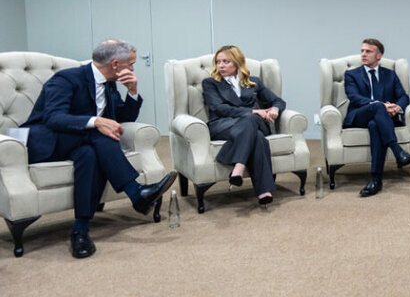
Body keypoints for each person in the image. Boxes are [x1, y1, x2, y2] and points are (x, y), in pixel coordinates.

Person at [21, 39, 178, 259]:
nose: (133, 69)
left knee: (89, 155)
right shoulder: (66, 79)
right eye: (131, 64)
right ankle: (136, 193)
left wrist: (132, 91)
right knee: (100, 132)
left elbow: (122, 118)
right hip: (47, 142)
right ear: (115, 64)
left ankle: (80, 230)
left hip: (81, 144)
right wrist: (96, 121)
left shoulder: (109, 84)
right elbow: (53, 117)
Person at [202, 45, 285, 206]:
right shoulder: (210, 83)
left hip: (251, 123)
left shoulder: (253, 82)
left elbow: (277, 101)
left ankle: (238, 167)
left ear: (237, 62)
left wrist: (275, 109)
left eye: (226, 61)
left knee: (251, 121)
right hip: (223, 124)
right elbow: (219, 108)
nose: (221, 65)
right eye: (218, 62)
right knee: (257, 136)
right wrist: (253, 112)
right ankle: (263, 190)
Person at [342, 38, 410, 197]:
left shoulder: (390, 75)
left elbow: (403, 97)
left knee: (375, 125)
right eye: (362, 51)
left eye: (368, 51)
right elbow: (354, 97)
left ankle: (376, 180)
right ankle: (398, 151)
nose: (363, 54)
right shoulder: (352, 74)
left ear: (379, 55)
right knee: (377, 106)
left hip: (382, 119)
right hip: (359, 116)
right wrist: (382, 106)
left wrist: (397, 107)